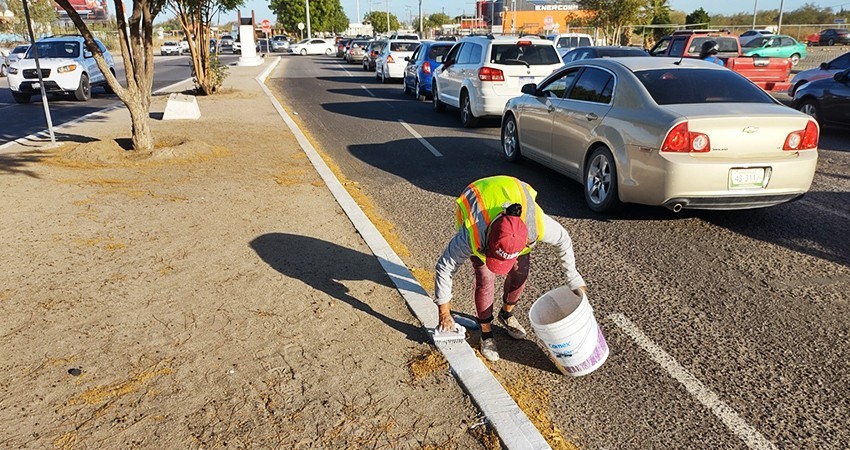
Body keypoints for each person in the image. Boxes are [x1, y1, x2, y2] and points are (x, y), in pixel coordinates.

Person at [433, 175, 588, 362]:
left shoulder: (536, 226)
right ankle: (486, 334)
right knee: (485, 277)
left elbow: (563, 239)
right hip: (478, 197)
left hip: (514, 197)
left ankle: (506, 314)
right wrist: (444, 313)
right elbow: (444, 266)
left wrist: (573, 278)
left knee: (521, 271)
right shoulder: (472, 232)